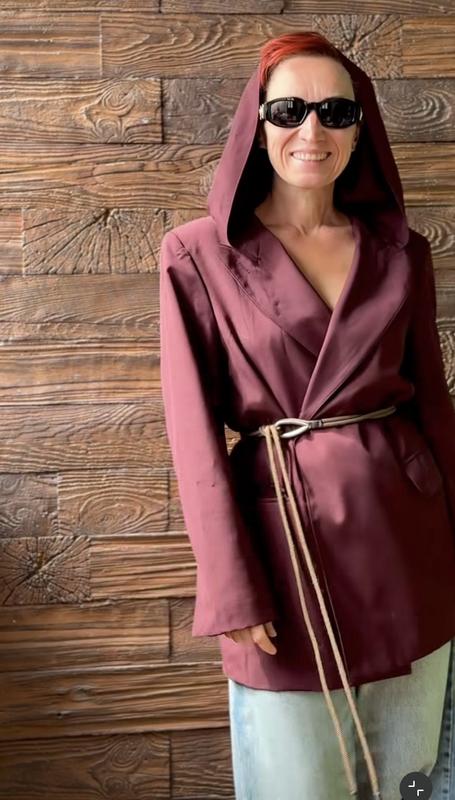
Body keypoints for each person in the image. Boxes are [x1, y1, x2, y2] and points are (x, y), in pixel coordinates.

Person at [159, 30, 455, 800]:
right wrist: (229, 583)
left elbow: (434, 408)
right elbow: (192, 433)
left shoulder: (402, 252)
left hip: (408, 542)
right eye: (289, 110)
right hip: (281, 549)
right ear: (255, 123)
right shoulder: (196, 254)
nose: (311, 130)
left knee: (410, 776)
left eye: (335, 112)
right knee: (294, 781)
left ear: (360, 130)